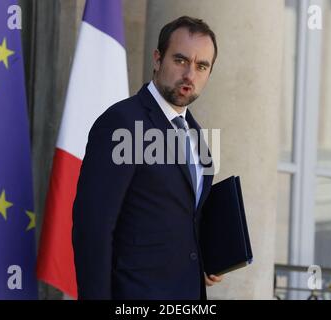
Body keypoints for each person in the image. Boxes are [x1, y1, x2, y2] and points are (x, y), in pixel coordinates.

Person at [72, 16, 223, 300]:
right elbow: (92, 228)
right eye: (180, 60)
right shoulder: (122, 123)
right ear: (157, 59)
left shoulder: (198, 135)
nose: (190, 74)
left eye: (201, 66)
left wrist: (207, 256)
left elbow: (184, 219)